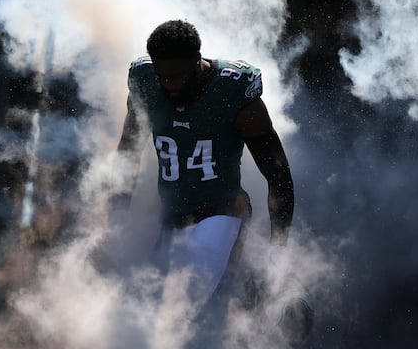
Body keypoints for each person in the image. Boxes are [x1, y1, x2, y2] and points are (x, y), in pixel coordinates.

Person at [108, 20, 303, 324]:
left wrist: (279, 247)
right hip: (172, 218)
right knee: (141, 308)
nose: (168, 85)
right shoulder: (145, 80)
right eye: (162, 76)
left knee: (181, 316)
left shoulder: (232, 92)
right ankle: (267, 299)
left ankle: (276, 294)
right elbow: (127, 157)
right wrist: (115, 222)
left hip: (222, 212)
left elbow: (278, 175)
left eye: (177, 76)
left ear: (197, 63)